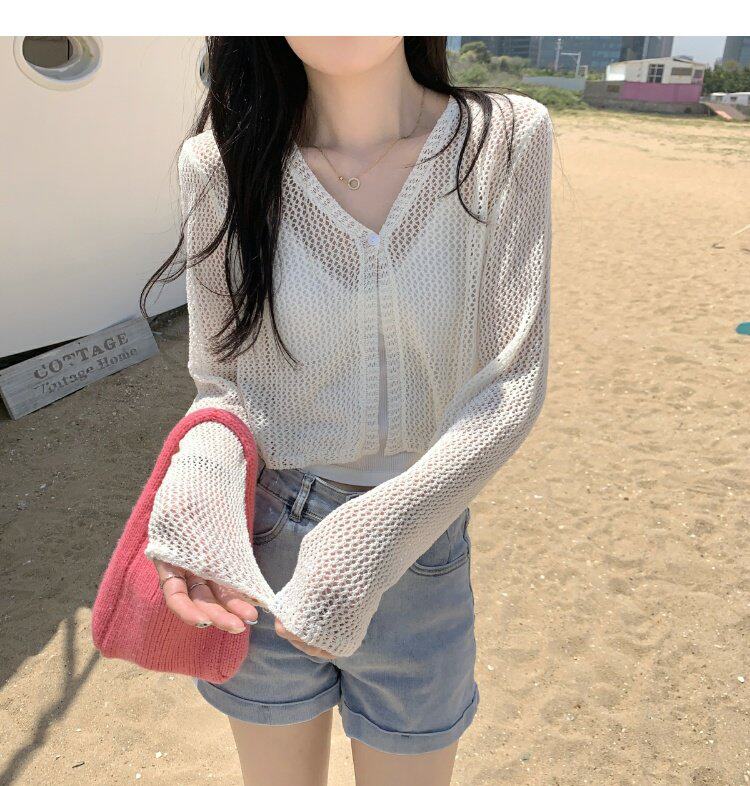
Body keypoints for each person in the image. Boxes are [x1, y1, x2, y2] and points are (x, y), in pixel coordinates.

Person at [140, 36, 553, 786]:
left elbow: (510, 381)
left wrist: (375, 541)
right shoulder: (220, 164)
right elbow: (223, 385)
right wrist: (197, 486)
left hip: (421, 547)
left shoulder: (503, 139)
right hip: (260, 553)